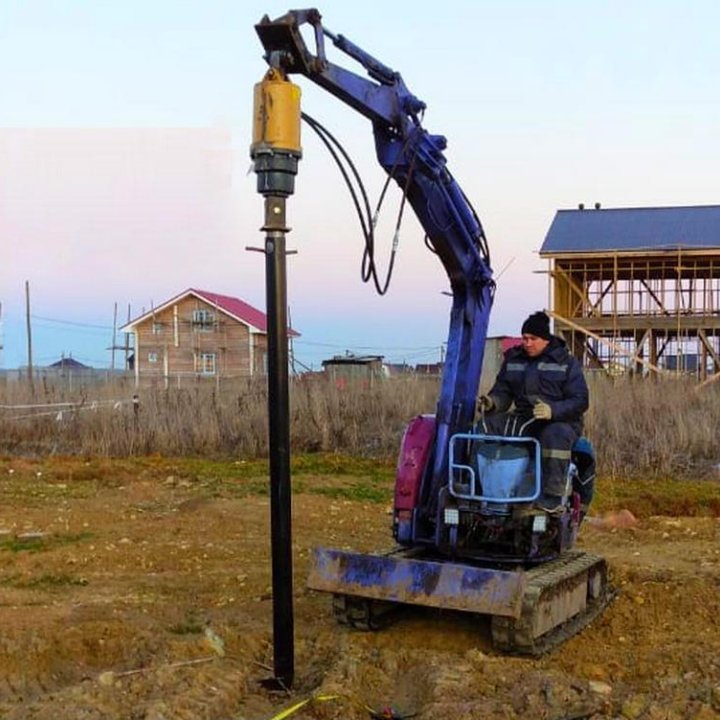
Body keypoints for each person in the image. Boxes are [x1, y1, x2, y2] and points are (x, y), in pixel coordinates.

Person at [477, 310, 589, 512]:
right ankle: (475, 486)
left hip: (560, 421)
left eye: (532, 339)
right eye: (524, 338)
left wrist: (552, 410)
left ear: (545, 339)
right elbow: (503, 391)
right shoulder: (514, 360)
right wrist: (492, 402)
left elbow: (580, 400)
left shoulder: (566, 363)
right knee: (483, 426)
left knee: (555, 435)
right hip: (525, 418)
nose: (527, 343)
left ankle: (552, 496)